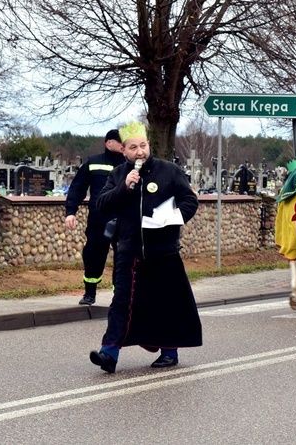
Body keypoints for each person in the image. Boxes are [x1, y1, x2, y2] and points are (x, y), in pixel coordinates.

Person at [89, 120, 201, 373]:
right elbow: (102, 206)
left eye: (142, 146)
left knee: (166, 303)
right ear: (124, 151)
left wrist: (174, 217)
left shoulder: (168, 171)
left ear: (148, 145)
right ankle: (109, 353)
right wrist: (123, 187)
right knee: (121, 302)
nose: (139, 152)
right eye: (132, 147)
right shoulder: (118, 175)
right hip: (129, 252)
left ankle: (169, 352)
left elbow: (189, 201)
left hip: (164, 252)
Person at [65, 129, 125, 305]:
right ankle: (90, 293)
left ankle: (120, 296)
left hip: (123, 220)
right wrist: (70, 211)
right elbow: (77, 188)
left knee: (123, 258)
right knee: (94, 256)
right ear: (109, 143)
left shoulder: (130, 163)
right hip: (99, 220)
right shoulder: (93, 163)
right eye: (120, 141)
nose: (123, 145)